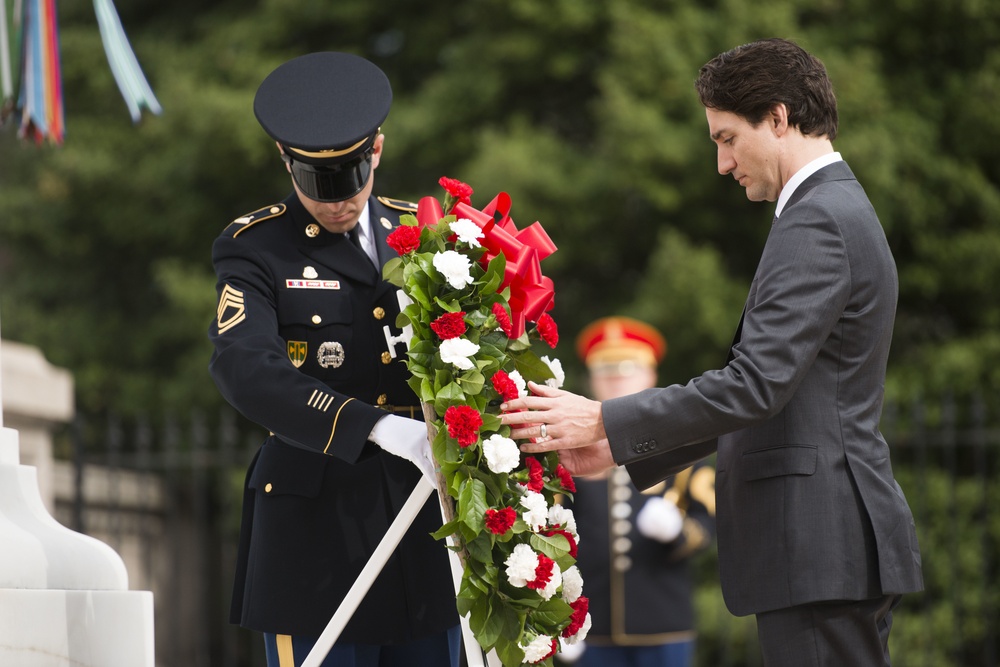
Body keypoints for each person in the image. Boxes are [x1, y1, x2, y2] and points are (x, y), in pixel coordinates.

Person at [501, 38, 923, 667]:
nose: (723, 164)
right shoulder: (831, 210)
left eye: (727, 138)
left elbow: (754, 385)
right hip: (825, 546)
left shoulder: (817, 220)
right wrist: (617, 446)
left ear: (778, 118)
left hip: (818, 544)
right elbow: (772, 394)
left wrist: (604, 419)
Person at [207, 52, 459, 667]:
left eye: (349, 180)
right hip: (314, 538)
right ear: (284, 162)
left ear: (376, 149)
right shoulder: (257, 247)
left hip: (423, 523)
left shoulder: (427, 234)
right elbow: (246, 368)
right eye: (315, 185)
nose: (336, 203)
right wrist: (374, 425)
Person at [558, 316, 715, 667]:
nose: (616, 378)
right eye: (606, 369)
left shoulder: (684, 449)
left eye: (627, 369)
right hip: (590, 627)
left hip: (662, 624)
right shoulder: (569, 451)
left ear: (651, 376)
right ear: (592, 378)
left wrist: (679, 531)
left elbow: (708, 527)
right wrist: (557, 618)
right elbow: (552, 533)